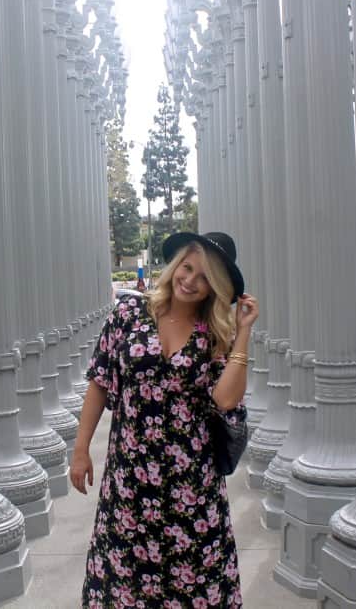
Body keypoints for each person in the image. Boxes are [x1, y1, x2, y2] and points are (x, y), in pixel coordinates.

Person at [71, 231, 260, 608]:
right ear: (175, 266)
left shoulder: (214, 337)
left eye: (205, 277)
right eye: (187, 268)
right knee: (124, 582)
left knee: (192, 587)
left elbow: (224, 400)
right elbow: (100, 381)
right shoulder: (128, 316)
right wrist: (81, 449)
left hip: (191, 486)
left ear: (215, 288)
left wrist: (243, 333)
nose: (190, 281)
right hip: (129, 481)